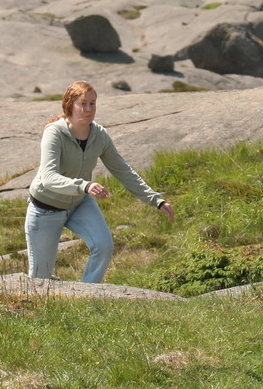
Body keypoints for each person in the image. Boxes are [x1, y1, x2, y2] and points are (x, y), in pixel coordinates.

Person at [25, 81, 174, 282]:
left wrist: (156, 200)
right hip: (46, 208)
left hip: (79, 203)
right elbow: (48, 178)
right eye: (82, 104)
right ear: (70, 105)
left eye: (93, 103)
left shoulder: (99, 135)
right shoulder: (54, 133)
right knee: (39, 279)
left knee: (103, 245)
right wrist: (84, 185)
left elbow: (123, 171)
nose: (88, 109)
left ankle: (87, 294)